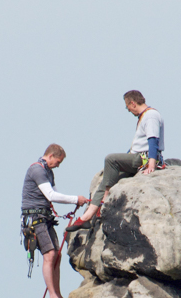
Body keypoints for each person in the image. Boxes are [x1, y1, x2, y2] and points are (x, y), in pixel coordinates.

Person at [66, 90, 164, 231]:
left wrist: (151, 165)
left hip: (143, 159)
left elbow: (153, 140)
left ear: (133, 103)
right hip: (138, 157)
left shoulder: (151, 116)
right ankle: (86, 218)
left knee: (110, 159)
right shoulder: (145, 116)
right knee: (107, 179)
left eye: (128, 107)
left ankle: (104, 200)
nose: (129, 110)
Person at [21, 144, 88, 298]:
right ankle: (53, 297)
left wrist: (77, 201)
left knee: (57, 255)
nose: (58, 165)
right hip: (34, 218)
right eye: (58, 161)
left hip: (45, 217)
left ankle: (58, 295)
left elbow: (55, 194)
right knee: (50, 254)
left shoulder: (48, 172)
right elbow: (50, 195)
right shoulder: (37, 170)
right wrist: (75, 199)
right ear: (50, 156)